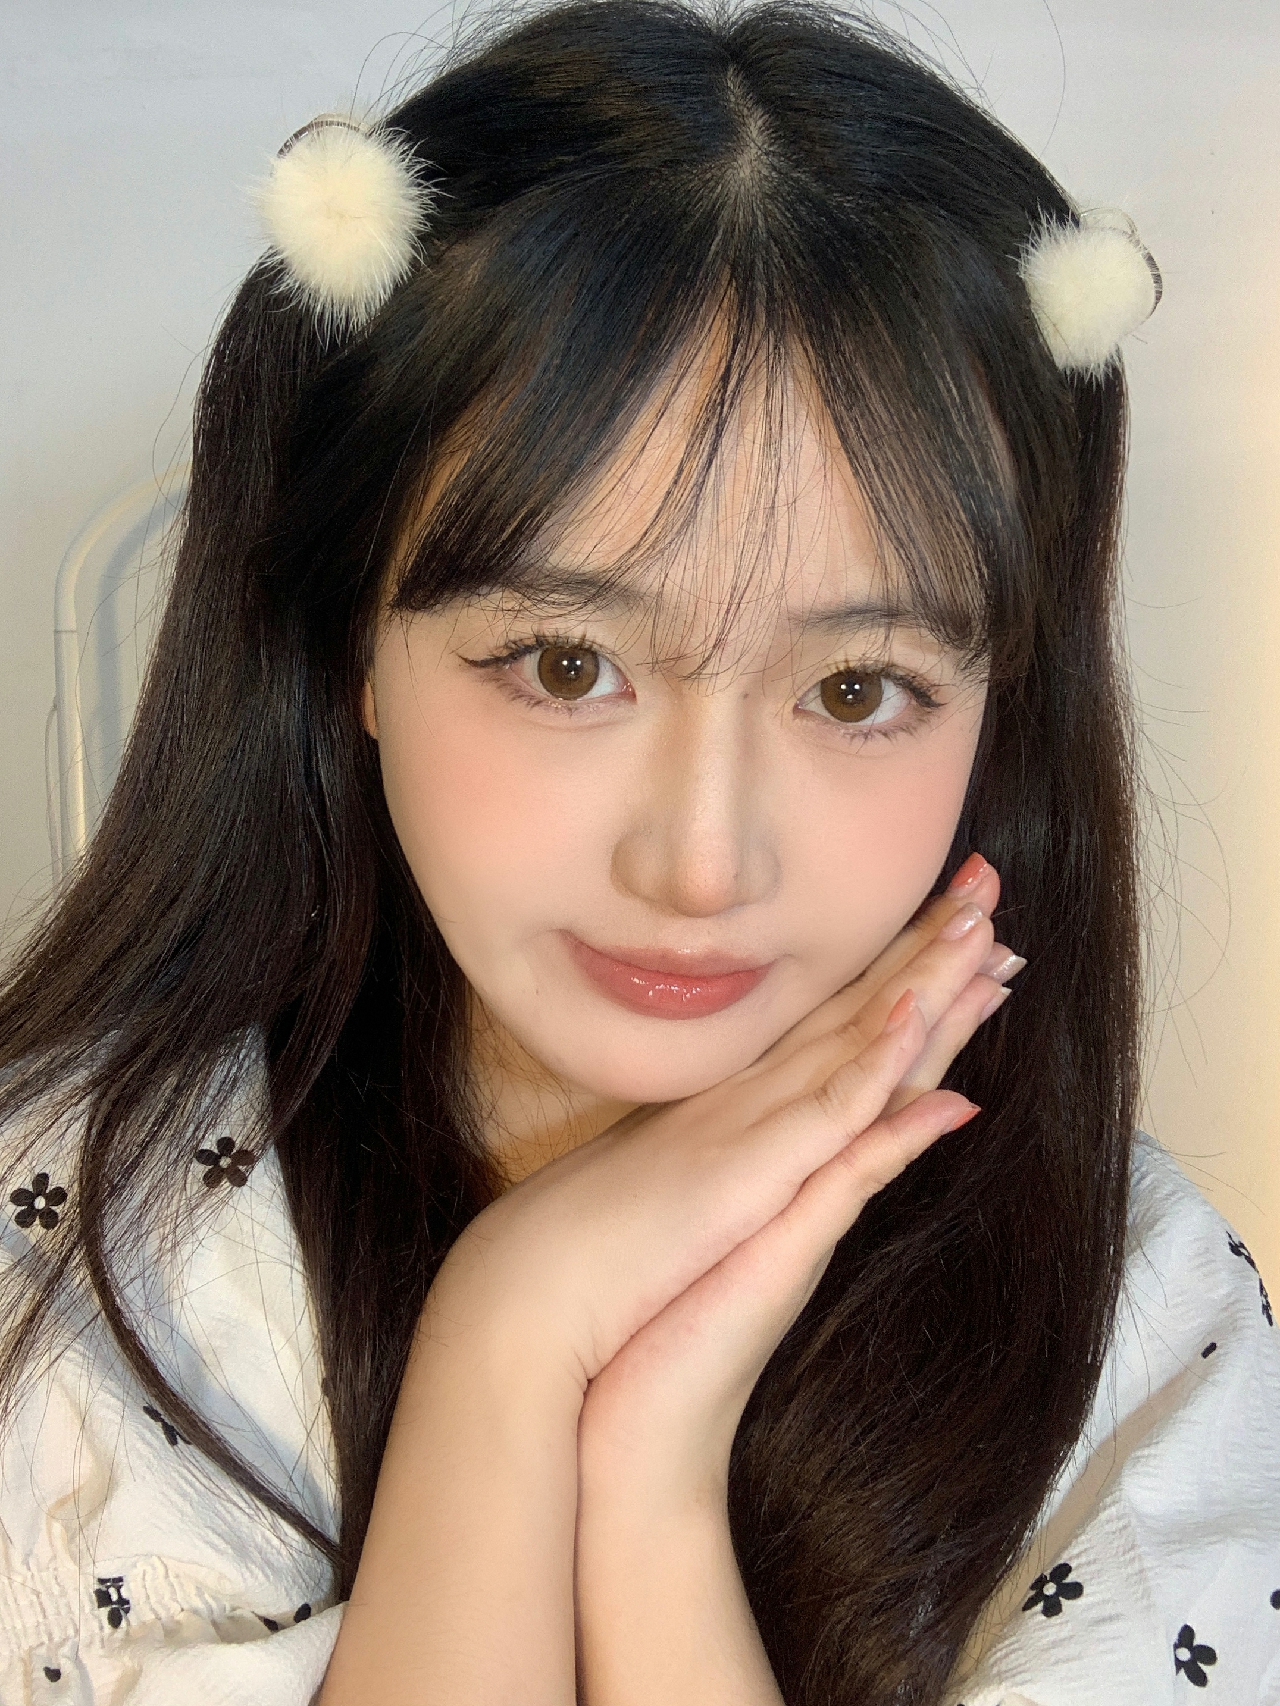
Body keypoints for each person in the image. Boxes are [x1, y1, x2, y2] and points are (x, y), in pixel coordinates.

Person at [1, 2, 1276, 1702]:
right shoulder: (87, 1248)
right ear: (353, 646)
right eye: (564, 664)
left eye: (856, 687)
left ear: (999, 705)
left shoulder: (1136, 1309)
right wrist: (512, 1337)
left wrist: (646, 1473)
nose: (700, 862)